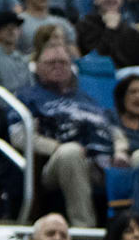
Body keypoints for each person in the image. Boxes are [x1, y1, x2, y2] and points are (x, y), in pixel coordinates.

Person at [10, 42, 114, 227]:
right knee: (71, 153)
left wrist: (121, 148)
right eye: (51, 63)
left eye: (63, 62)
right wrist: (57, 147)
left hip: (100, 163)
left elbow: (112, 128)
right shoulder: (28, 96)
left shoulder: (86, 98)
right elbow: (20, 136)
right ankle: (84, 232)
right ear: (37, 67)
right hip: (56, 165)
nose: (58, 66)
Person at [76, 0, 139, 67]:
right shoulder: (84, 25)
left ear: (121, 0)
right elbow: (96, 59)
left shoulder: (130, 31)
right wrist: (110, 30)